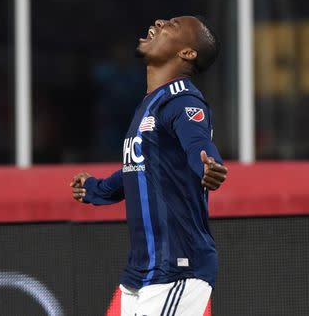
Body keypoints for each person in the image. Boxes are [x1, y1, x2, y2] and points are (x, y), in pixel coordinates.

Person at [70, 16, 228, 316]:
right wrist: (95, 188)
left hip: (177, 268)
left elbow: (198, 146)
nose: (159, 21)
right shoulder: (149, 104)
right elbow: (140, 169)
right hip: (141, 273)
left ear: (187, 53)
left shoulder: (183, 101)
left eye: (173, 24)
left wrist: (209, 166)